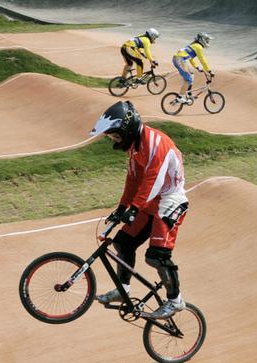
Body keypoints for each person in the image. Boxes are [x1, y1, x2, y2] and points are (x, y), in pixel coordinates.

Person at [90, 101, 189, 319]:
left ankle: (175, 301)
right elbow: (133, 179)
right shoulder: (136, 147)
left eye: (116, 136)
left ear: (127, 130)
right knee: (122, 243)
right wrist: (122, 207)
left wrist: (134, 208)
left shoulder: (155, 143)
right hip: (150, 202)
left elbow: (154, 181)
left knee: (157, 256)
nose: (115, 141)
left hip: (170, 200)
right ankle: (123, 290)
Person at [173, 32, 213, 104]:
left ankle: (188, 93)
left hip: (180, 59)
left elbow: (191, 58)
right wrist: (209, 70)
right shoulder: (198, 47)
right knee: (188, 79)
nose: (208, 42)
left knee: (191, 74)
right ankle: (180, 97)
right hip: (179, 60)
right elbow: (202, 59)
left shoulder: (195, 45)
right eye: (207, 40)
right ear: (202, 40)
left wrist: (197, 67)